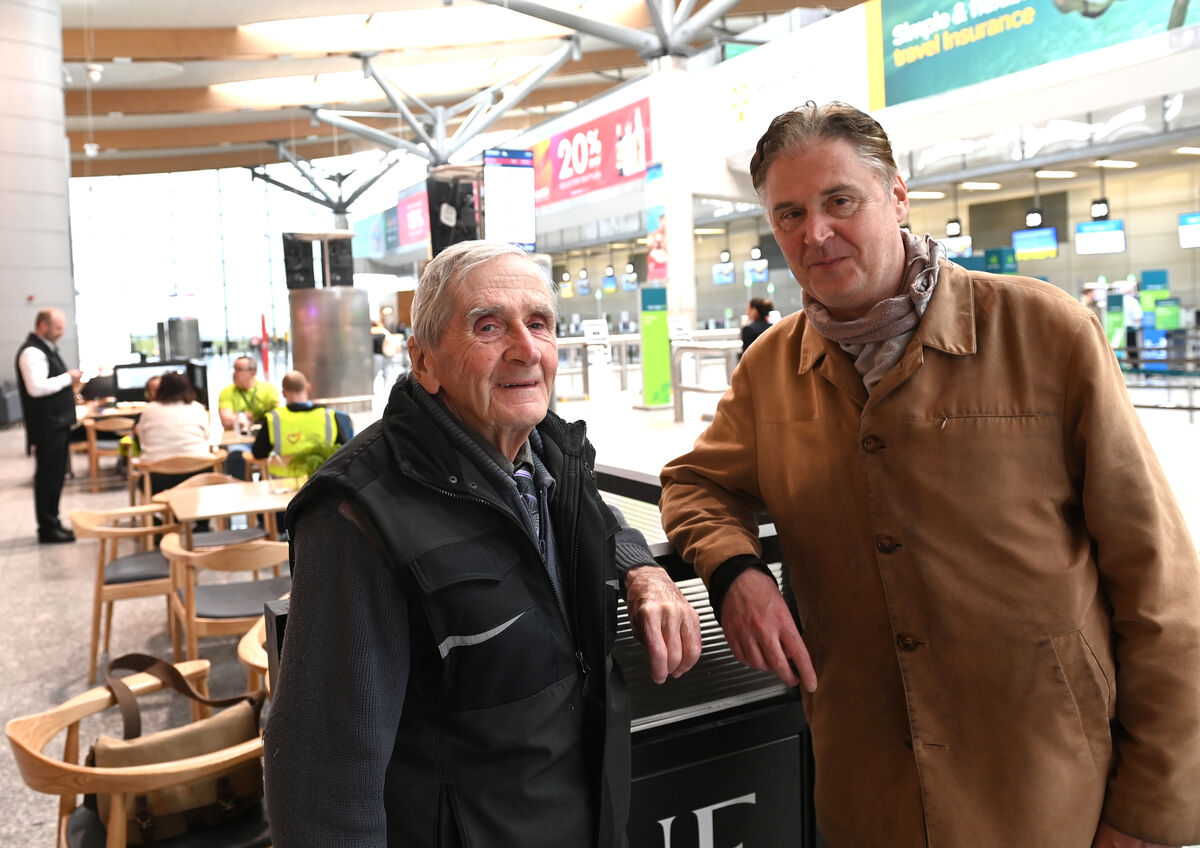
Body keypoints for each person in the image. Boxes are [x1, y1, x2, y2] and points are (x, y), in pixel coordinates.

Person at [658, 102, 1200, 848]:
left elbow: (1160, 585)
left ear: (898, 196)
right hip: (869, 791)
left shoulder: (1044, 334)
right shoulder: (773, 369)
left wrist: (1148, 810)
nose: (814, 233)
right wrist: (732, 571)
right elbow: (696, 484)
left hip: (1050, 792)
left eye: (839, 201)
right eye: (789, 214)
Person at [265, 240, 702, 847]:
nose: (526, 349)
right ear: (424, 363)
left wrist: (642, 570)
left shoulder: (550, 452)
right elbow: (323, 776)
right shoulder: (357, 513)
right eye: (489, 326)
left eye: (540, 324)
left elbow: (592, 515)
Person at [15, 308, 82, 543]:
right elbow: (36, 388)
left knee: (55, 478)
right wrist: (68, 377)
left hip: (56, 425)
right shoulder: (32, 352)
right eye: (58, 328)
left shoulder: (45, 350)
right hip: (47, 427)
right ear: (43, 326)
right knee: (47, 479)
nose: (61, 333)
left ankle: (53, 523)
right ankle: (48, 528)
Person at [251, 369, 352, 478]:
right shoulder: (328, 415)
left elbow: (258, 453)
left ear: (283, 393)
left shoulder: (273, 418)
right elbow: (344, 450)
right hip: (320, 482)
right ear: (308, 388)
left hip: (282, 483)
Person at [134, 371, 212, 494]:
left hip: (159, 479)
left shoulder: (149, 410)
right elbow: (206, 437)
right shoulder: (198, 408)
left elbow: (143, 442)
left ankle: (161, 513)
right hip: (199, 475)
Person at [217, 355, 279, 479]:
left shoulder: (268, 389)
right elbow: (226, 421)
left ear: (252, 372)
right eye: (234, 369)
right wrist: (250, 416)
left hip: (264, 440)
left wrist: (241, 418)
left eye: (239, 369)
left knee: (276, 457)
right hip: (238, 442)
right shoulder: (227, 392)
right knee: (236, 458)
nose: (234, 373)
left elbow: (275, 417)